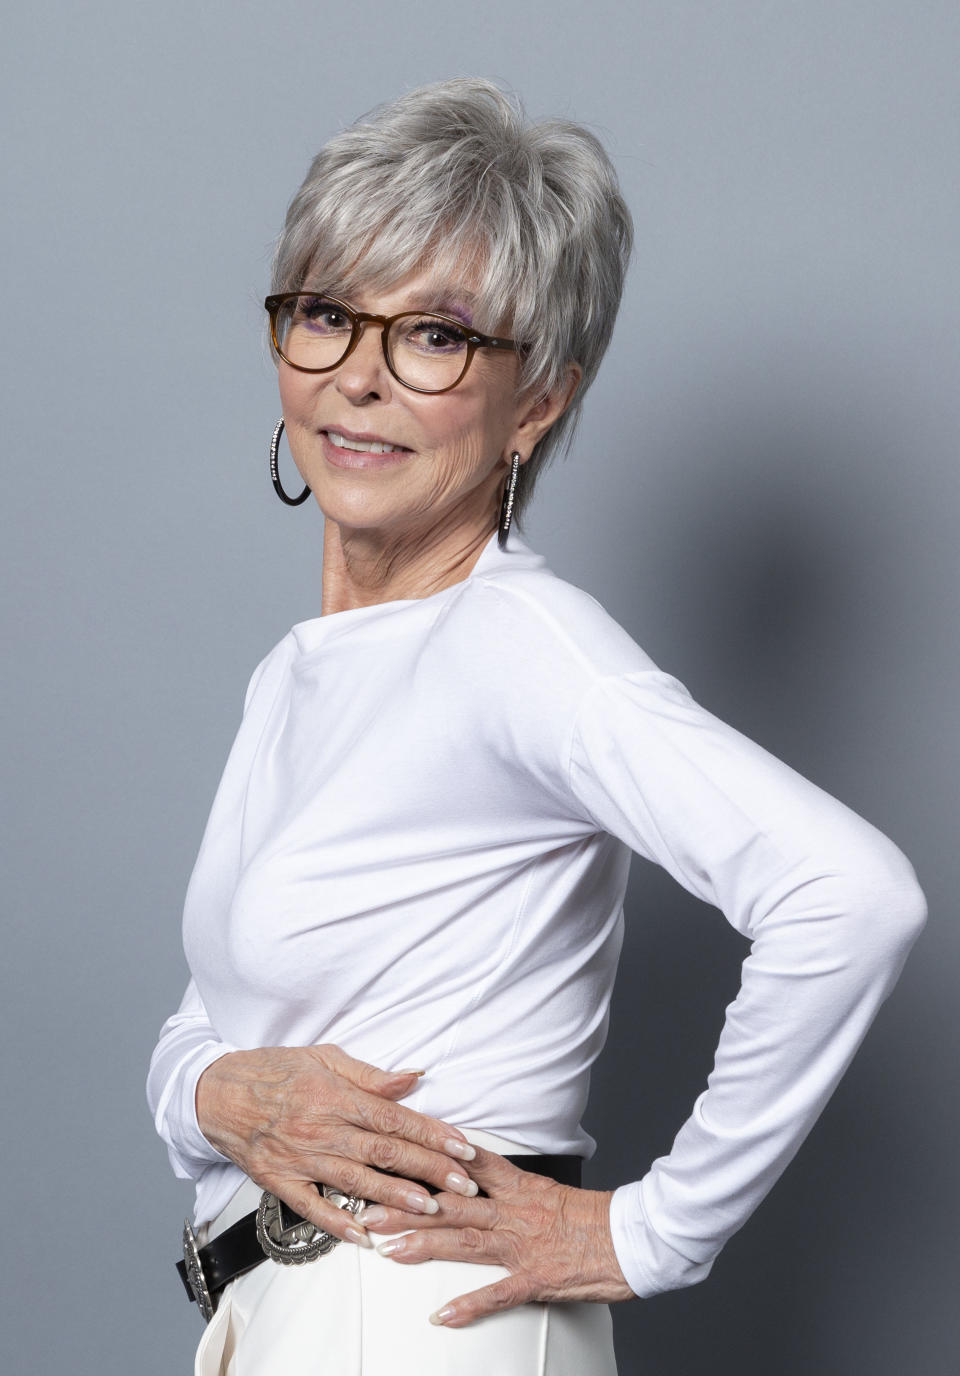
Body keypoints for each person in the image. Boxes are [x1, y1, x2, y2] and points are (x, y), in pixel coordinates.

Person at [147, 78, 927, 1376]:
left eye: (437, 337)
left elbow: (852, 896)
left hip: (404, 1323)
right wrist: (218, 1093)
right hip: (280, 1318)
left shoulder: (513, 645)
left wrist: (651, 1236)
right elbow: (218, 1011)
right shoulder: (305, 674)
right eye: (330, 315)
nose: (362, 379)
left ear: (538, 402)